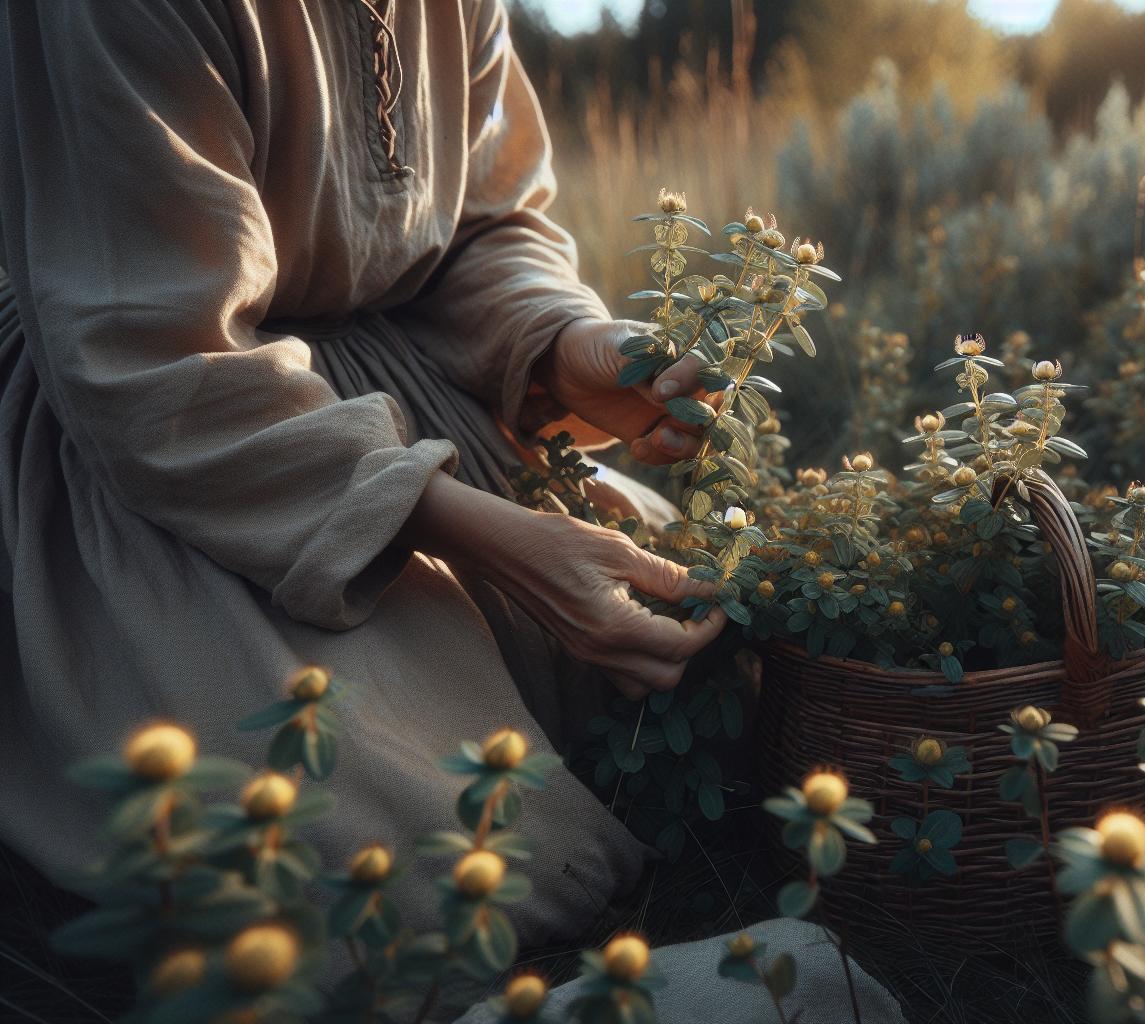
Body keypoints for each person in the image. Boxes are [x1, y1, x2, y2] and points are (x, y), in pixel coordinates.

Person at [0, 0, 724, 940]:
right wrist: (481, 532)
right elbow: (150, 352)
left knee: (723, 644)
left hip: (403, 391)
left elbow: (488, 227)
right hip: (185, 439)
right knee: (433, 869)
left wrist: (559, 345)